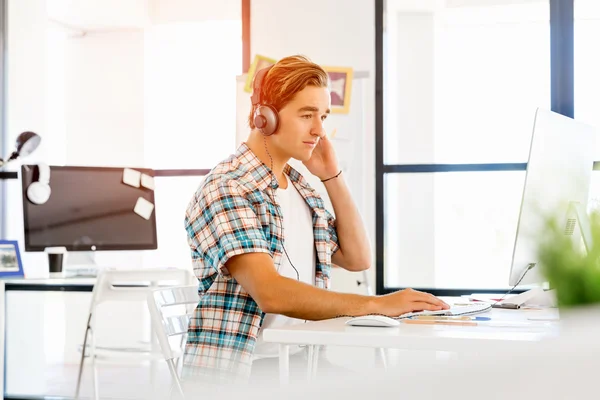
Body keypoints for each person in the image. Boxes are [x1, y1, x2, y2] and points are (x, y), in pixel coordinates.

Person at [182, 55, 449, 384]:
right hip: (242, 372)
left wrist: (332, 176)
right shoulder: (228, 189)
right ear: (264, 117)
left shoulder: (299, 186)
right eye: (307, 115)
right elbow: (271, 293)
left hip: (298, 363)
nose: (320, 130)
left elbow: (357, 258)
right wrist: (376, 305)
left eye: (322, 116)